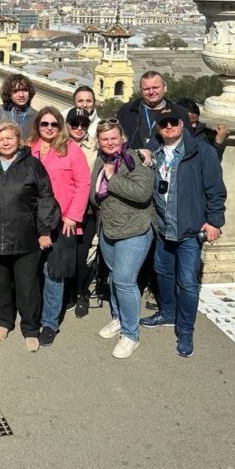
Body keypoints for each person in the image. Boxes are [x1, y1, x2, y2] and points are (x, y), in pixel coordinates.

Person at [140, 115, 226, 357]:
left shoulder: (202, 152)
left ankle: (186, 331)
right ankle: (168, 313)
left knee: (187, 282)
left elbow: (216, 190)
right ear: (158, 128)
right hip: (163, 228)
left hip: (189, 229)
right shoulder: (154, 151)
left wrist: (214, 222)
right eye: (163, 123)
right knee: (163, 272)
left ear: (181, 124)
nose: (168, 127)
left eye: (173, 122)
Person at [0, 120, 58, 352]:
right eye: (0, 139)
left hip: (25, 238)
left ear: (18, 140)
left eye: (10, 138)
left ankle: (31, 328)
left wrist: (44, 231)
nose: (5, 143)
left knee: (27, 287)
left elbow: (46, 198)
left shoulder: (32, 165)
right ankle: (4, 320)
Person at [89, 120, 155, 359]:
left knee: (125, 281)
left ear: (123, 139)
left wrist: (112, 178)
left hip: (134, 230)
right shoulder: (102, 159)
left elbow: (143, 193)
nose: (109, 143)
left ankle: (131, 334)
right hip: (109, 228)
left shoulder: (135, 160)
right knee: (114, 277)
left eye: (113, 138)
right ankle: (118, 318)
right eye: (104, 139)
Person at [29, 107, 91, 345]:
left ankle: (49, 323)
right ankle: (33, 315)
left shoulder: (71, 149)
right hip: (32, 222)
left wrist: (73, 216)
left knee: (54, 274)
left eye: (53, 124)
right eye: (44, 124)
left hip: (63, 222)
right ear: (38, 125)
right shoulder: (29, 149)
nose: (49, 128)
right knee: (32, 272)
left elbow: (83, 184)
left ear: (60, 126)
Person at [66, 106, 101, 312]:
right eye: (75, 124)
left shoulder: (96, 145)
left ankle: (81, 292)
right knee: (67, 254)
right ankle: (68, 291)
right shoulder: (58, 144)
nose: (79, 128)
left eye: (84, 124)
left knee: (82, 254)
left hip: (87, 210)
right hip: (64, 210)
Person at [117, 71, 191, 151]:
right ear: (141, 90)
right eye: (146, 89)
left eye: (155, 88)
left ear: (165, 88)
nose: (151, 92)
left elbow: (189, 144)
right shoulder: (127, 110)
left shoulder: (179, 112)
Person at [0, 74, 37, 139]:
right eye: (15, 91)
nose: (21, 95)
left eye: (25, 90)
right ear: (9, 94)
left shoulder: (36, 116)